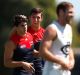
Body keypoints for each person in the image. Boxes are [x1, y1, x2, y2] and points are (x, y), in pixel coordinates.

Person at [39, 2, 75, 75]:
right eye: (70, 12)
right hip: (51, 72)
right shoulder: (52, 29)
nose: (73, 15)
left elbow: (68, 47)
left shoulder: (69, 28)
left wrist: (72, 60)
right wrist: (60, 61)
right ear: (61, 12)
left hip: (65, 72)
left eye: (73, 13)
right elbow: (43, 52)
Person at [8, 7, 45, 75]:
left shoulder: (45, 33)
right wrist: (17, 23)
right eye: (33, 17)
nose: (35, 20)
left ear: (41, 18)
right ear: (29, 18)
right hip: (24, 68)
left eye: (38, 17)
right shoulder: (24, 30)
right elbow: (10, 38)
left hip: (40, 66)